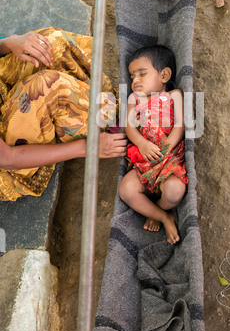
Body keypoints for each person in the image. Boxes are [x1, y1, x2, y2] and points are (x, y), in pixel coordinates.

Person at [0, 28, 127, 201]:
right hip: (8, 161)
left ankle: (108, 105)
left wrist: (11, 41)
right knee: (45, 87)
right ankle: (112, 124)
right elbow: (8, 158)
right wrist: (87, 148)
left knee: (49, 42)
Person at [118, 45, 188, 245]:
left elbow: (180, 125)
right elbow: (129, 127)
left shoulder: (174, 95)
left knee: (175, 191)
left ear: (164, 75)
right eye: (132, 76)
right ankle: (164, 217)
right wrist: (142, 143)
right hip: (145, 159)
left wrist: (168, 146)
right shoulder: (134, 99)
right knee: (126, 190)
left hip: (170, 158)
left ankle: (158, 207)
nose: (135, 80)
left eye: (142, 74)